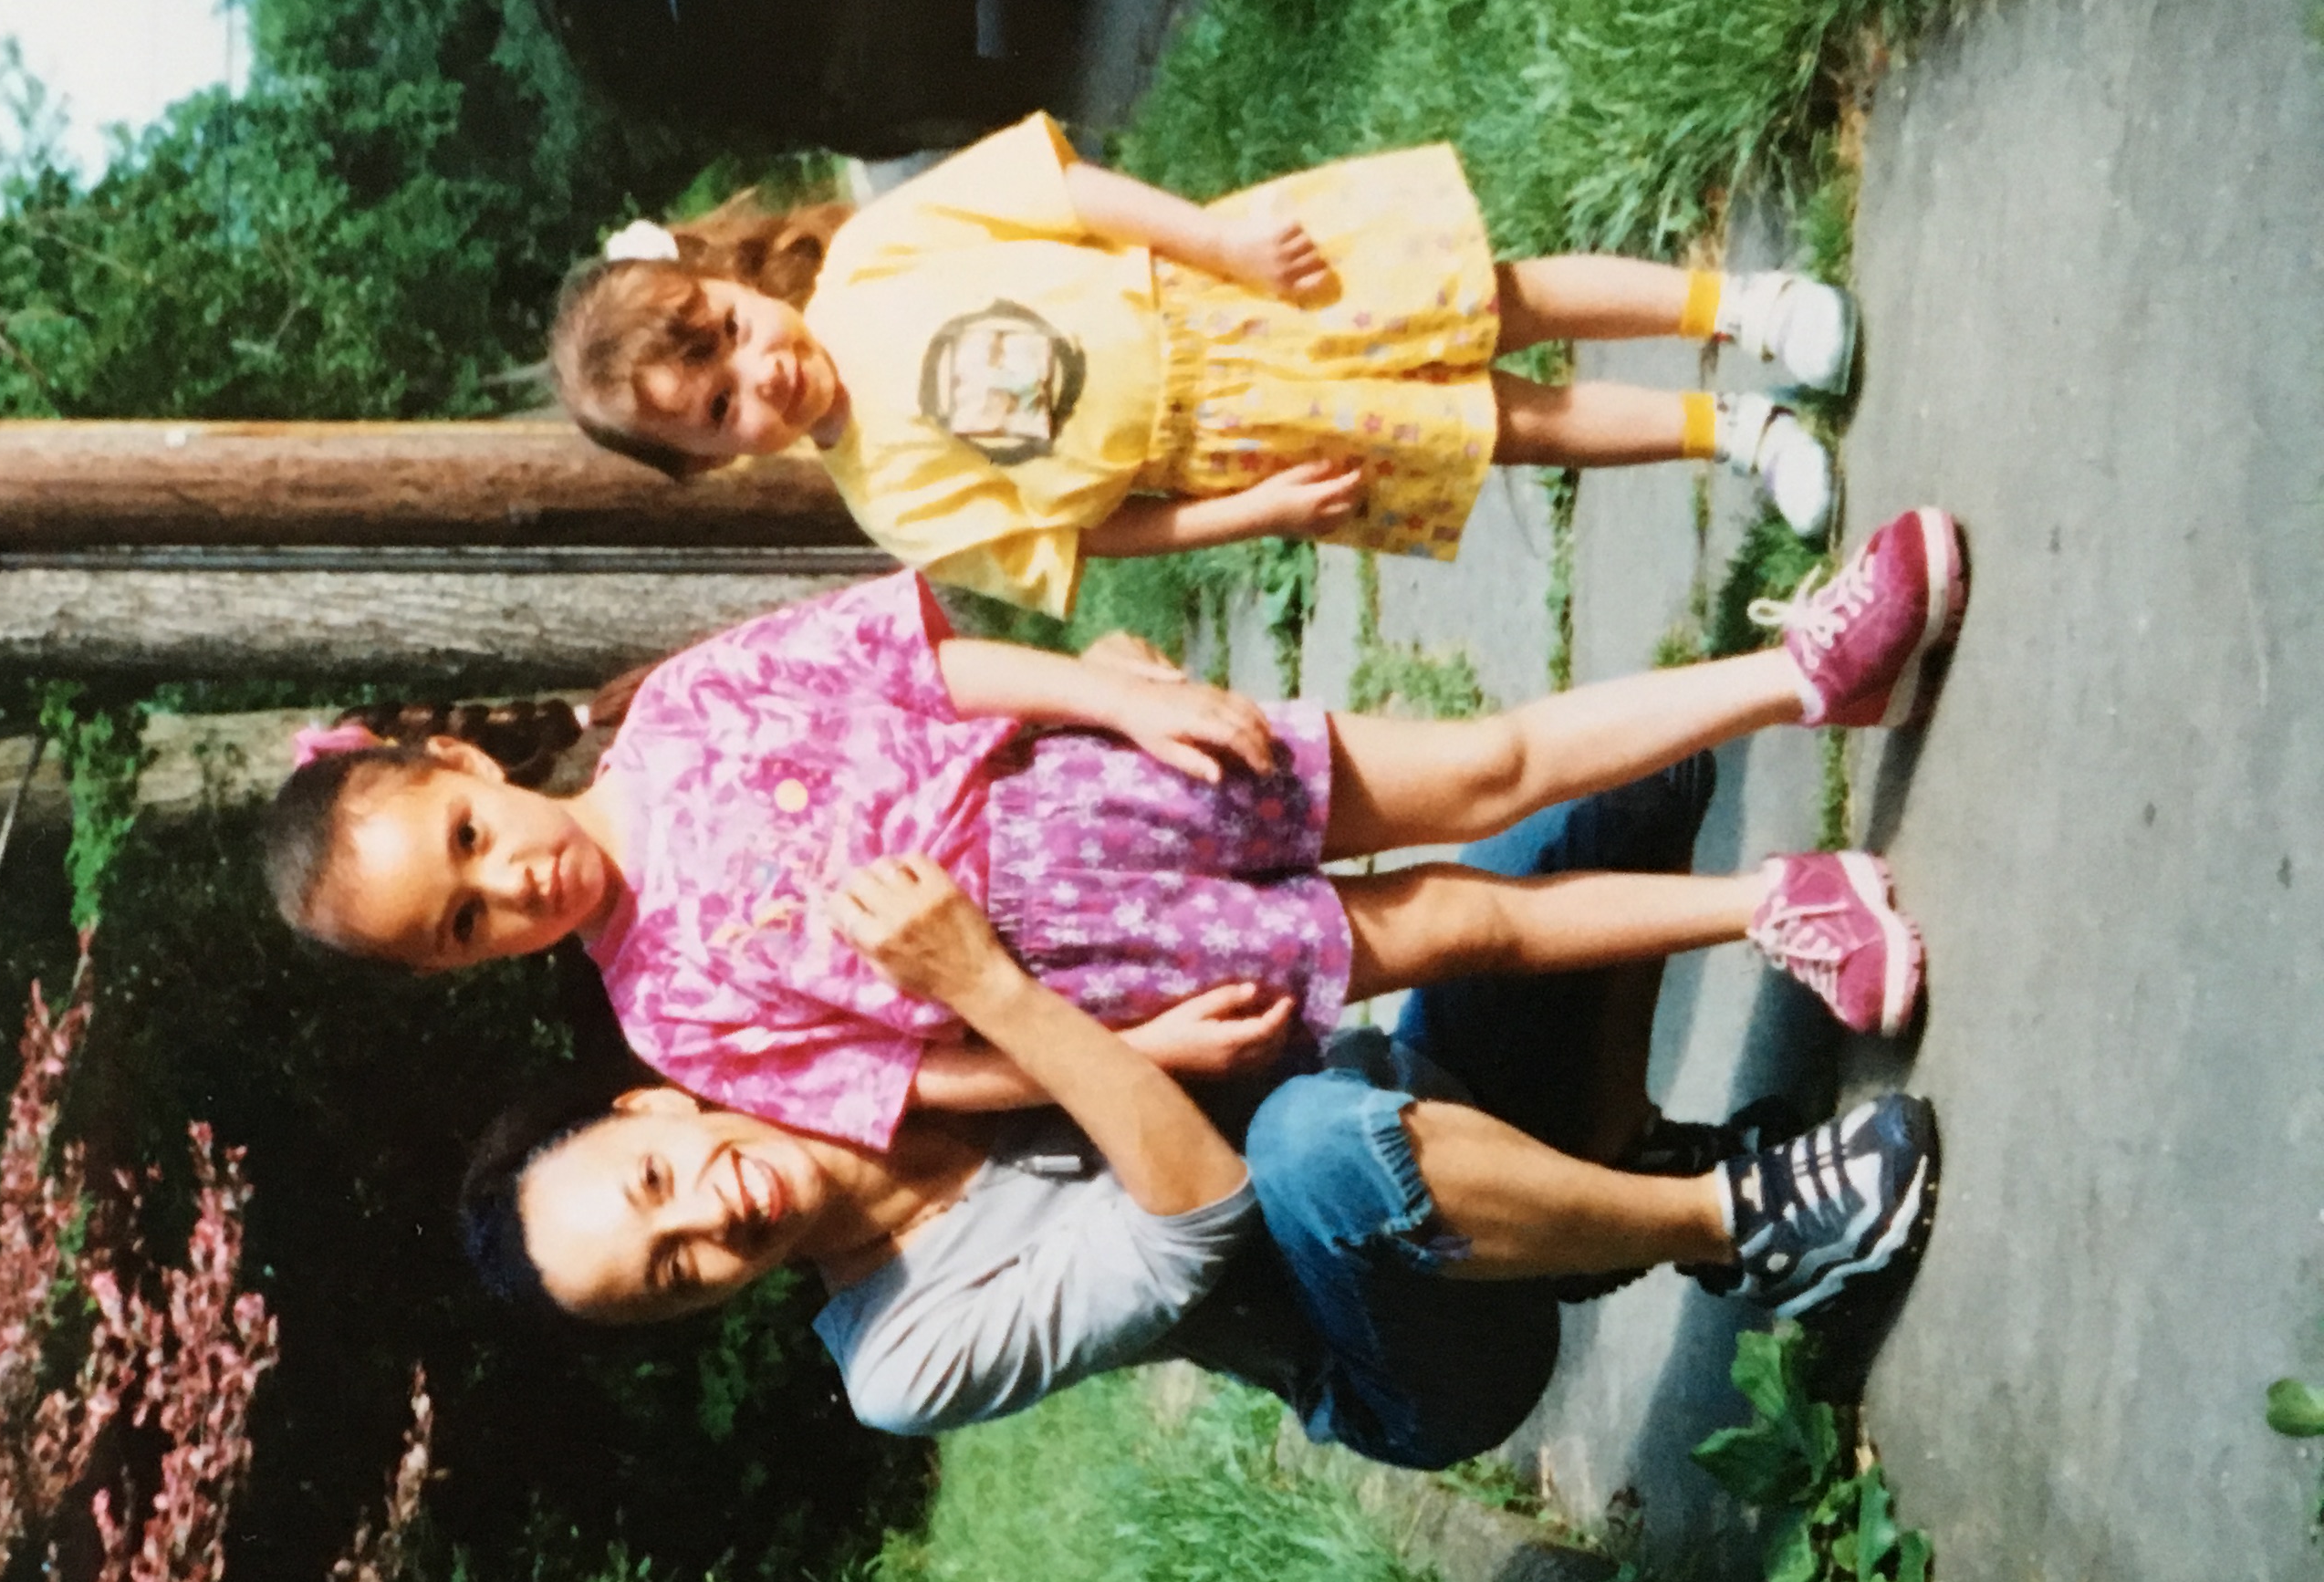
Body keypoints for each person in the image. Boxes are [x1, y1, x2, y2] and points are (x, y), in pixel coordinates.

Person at [266, 512, 1964, 1154]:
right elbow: (917, 1079)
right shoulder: (670, 1019)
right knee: (1463, 928)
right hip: (1106, 965)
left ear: (459, 761)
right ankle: (1777, 904)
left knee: (1484, 768)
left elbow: (926, 666)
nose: (510, 884)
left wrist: (1117, 695)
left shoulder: (684, 708)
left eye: (467, 840)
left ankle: (1805, 675)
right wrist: (1131, 1055)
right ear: (461, 972)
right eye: (465, 924)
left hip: (1100, 782)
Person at [455, 760, 1941, 1461]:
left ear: (655, 1100)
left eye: (654, 1186)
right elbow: (1201, 1210)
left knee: (1605, 806)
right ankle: (1738, 1222)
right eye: (673, 1275)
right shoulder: (901, 1360)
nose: (709, 1222)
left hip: (1419, 1104)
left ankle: (1596, 1179)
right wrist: (990, 989)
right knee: (1303, 1148)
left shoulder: (836, 1026)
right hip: (1405, 1352)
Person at [548, 116, 1850, 619]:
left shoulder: (878, 255)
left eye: (728, 332)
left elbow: (1065, 193)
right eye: (718, 407)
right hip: (1229, 444)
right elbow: (1091, 538)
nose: (759, 375)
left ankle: (1744, 307)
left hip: (1223, 295)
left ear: (726, 278)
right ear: (713, 462)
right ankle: (1736, 432)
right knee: (1503, 427)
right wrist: (1260, 512)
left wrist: (1221, 240)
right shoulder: (897, 509)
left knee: (1493, 301)